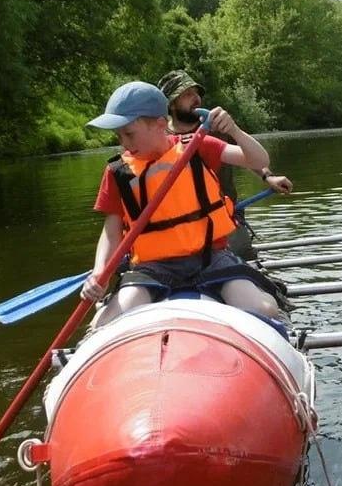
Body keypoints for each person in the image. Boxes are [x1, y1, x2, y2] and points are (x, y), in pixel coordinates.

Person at [80, 81, 286, 327]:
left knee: (263, 310)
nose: (123, 142)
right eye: (119, 135)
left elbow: (259, 158)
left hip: (210, 258)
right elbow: (111, 231)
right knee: (102, 325)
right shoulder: (117, 172)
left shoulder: (196, 146)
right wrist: (99, 271)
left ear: (159, 125)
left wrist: (234, 131)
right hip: (152, 267)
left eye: (129, 133)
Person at [157, 69, 293, 198]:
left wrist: (268, 177)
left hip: (227, 214)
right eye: (187, 94)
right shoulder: (159, 139)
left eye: (196, 92)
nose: (196, 98)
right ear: (171, 105)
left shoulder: (218, 126)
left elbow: (249, 156)